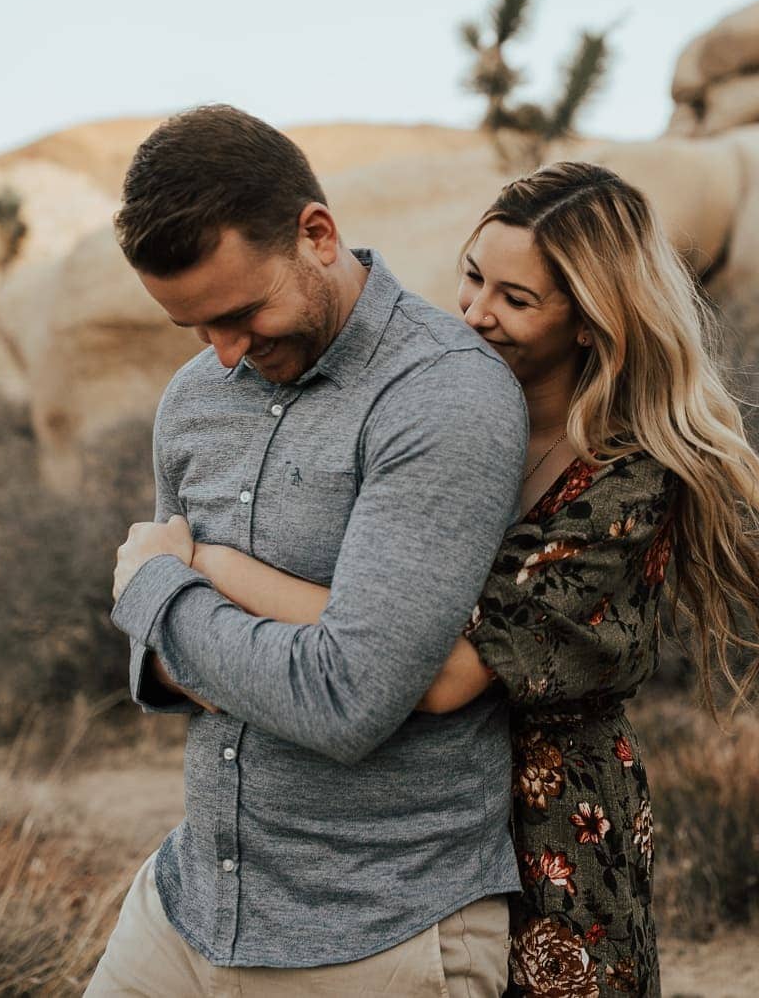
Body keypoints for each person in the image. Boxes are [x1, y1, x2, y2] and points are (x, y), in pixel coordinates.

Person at [175, 161, 759, 996]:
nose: (474, 312)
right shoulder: (431, 415)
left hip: (552, 822)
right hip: (409, 824)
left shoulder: (628, 478)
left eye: (516, 299)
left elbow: (441, 672)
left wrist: (211, 569)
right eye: (471, 276)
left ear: (590, 320)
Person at [89, 104, 527, 997]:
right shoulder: (193, 400)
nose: (225, 353)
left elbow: (346, 699)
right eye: (196, 329)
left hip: (379, 933)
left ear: (317, 234)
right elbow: (162, 670)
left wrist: (163, 596)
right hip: (189, 908)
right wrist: (199, 630)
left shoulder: (441, 395)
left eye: (244, 313)